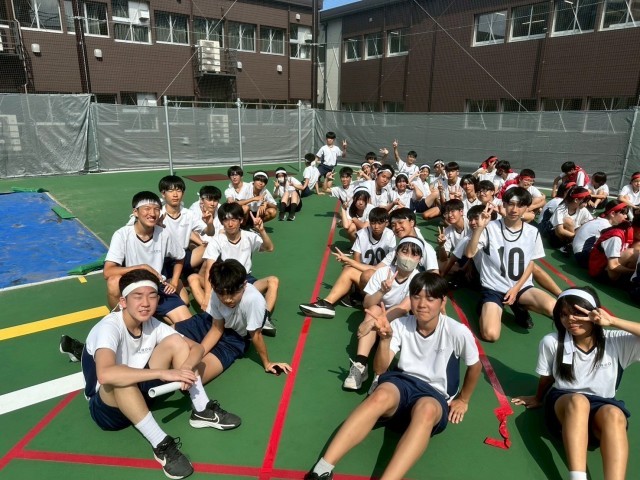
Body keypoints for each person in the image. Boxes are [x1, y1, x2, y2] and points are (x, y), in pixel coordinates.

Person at [304, 273, 481, 480]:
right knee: (379, 396)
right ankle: (322, 469)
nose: (422, 304)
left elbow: (474, 365)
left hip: (434, 394)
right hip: (402, 383)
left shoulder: (457, 331)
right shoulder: (400, 325)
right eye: (416, 297)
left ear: (442, 302)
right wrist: (385, 340)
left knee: (426, 410)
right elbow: (380, 369)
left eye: (430, 298)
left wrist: (463, 399)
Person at [81, 269, 240, 479]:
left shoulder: (152, 324)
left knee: (176, 342)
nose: (145, 303)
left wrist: (185, 368)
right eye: (138, 296)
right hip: (107, 408)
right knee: (121, 379)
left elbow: (197, 348)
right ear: (123, 301)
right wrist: (165, 373)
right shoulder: (109, 328)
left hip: (141, 393)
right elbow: (105, 375)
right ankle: (161, 445)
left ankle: (202, 408)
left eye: (152, 296)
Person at [512, 287, 640, 480]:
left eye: (578, 313)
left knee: (615, 413)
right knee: (579, 401)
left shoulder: (616, 341)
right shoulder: (552, 342)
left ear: (594, 313)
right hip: (565, 406)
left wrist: (613, 321)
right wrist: (538, 398)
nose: (570, 319)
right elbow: (547, 377)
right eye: (564, 314)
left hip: (600, 410)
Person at [176, 259, 292, 383]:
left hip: (234, 340)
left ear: (244, 284)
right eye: (222, 294)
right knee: (167, 333)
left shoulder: (253, 300)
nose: (227, 299)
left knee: (193, 379)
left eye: (232, 293)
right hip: (211, 322)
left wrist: (267, 363)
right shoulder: (217, 291)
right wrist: (198, 355)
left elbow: (256, 335)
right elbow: (216, 328)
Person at [465, 187, 556, 341]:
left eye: (520, 205)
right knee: (490, 335)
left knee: (553, 307)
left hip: (521, 287)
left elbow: (530, 263)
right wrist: (479, 228)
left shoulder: (532, 232)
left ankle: (519, 304)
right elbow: (469, 253)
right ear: (504, 205)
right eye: (511, 204)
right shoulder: (489, 228)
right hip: (494, 288)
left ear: (526, 208)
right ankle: (486, 306)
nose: (514, 209)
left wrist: (516, 289)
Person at [343, 237, 424, 391]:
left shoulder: (418, 279)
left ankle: (379, 376)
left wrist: (372, 324)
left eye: (414, 254)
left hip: (400, 321)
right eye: (404, 252)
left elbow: (403, 308)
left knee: (380, 319)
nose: (408, 258)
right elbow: (367, 304)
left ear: (419, 259)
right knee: (374, 309)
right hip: (377, 315)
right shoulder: (382, 273)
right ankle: (360, 364)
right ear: (397, 253)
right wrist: (381, 291)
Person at [103, 191, 193, 325]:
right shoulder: (122, 235)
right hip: (132, 285)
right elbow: (108, 271)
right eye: (147, 208)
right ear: (135, 212)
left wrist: (174, 281)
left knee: (189, 324)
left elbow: (180, 257)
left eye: (156, 209)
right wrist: (142, 267)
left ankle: (156, 312)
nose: (152, 213)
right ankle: (120, 319)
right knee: (113, 282)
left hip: (158, 285)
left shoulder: (164, 234)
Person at [197, 202, 278, 336]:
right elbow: (209, 270)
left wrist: (262, 231)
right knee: (194, 279)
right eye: (226, 220)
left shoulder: (249, 236)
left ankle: (265, 319)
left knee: (273, 281)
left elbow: (269, 248)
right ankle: (219, 317)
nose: (230, 224)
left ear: (241, 220)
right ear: (221, 222)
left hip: (246, 280)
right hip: (226, 281)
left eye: (234, 219)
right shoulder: (217, 241)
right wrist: (207, 296)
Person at [157, 175, 215, 304]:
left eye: (179, 190)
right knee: (185, 301)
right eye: (171, 190)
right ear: (163, 193)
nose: (175, 194)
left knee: (211, 247)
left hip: (183, 256)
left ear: (183, 193)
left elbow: (210, 232)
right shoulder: (157, 214)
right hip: (163, 260)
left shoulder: (188, 214)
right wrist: (156, 226)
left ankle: (198, 278)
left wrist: (210, 223)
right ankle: (178, 280)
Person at [572, 200, 628, 268]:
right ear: (612, 214)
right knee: (625, 255)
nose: (626, 216)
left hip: (579, 253)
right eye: (623, 213)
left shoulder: (599, 220)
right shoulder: (606, 226)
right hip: (584, 257)